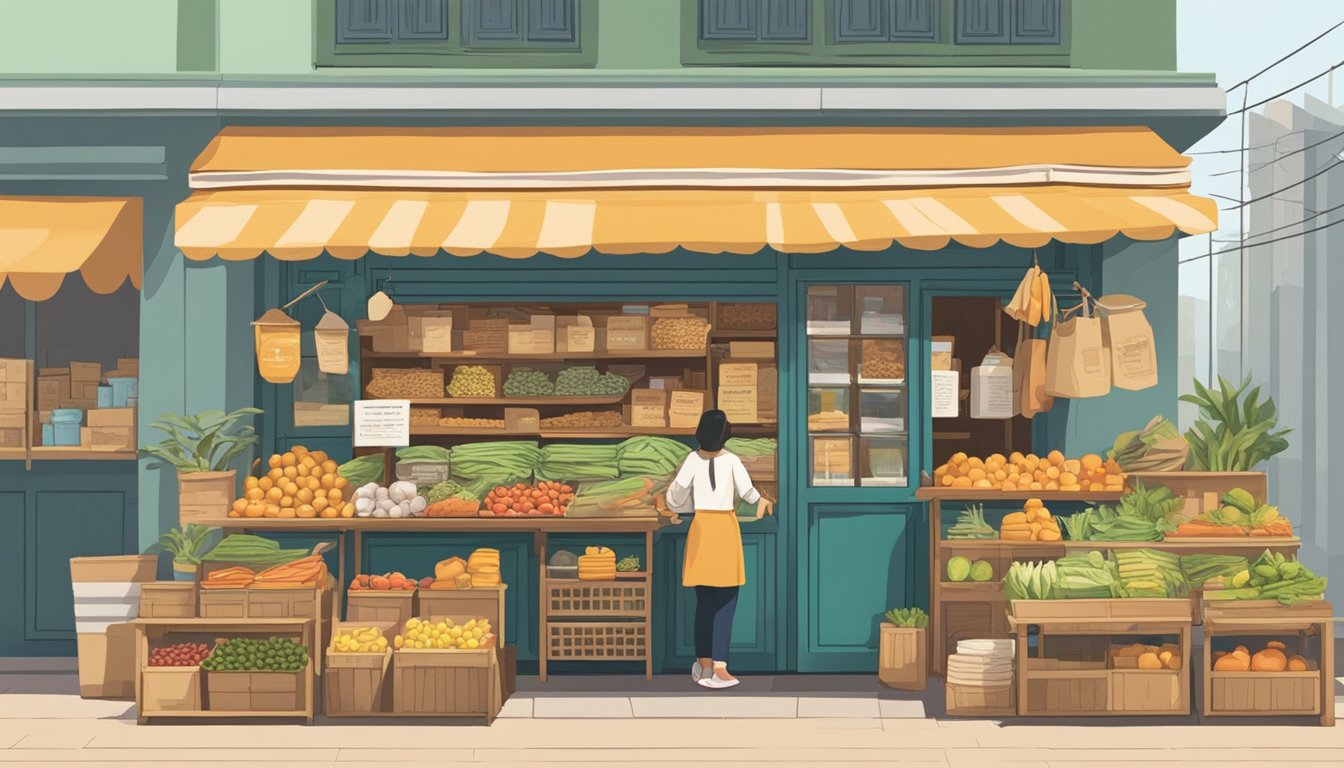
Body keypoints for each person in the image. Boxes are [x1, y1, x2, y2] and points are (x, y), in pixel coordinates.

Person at [665, 409, 773, 689]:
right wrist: (765, 503)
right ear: (727, 434)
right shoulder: (733, 461)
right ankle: (720, 668)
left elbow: (675, 495)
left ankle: (702, 664)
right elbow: (749, 493)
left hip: (701, 528)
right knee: (726, 600)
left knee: (705, 602)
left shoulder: (691, 459)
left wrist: (684, 508)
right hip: (724, 528)